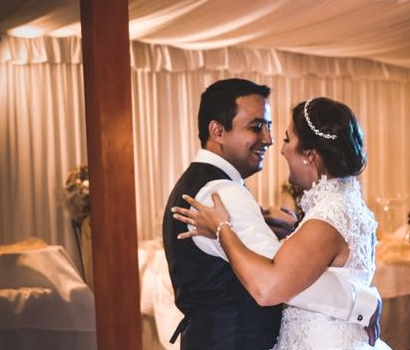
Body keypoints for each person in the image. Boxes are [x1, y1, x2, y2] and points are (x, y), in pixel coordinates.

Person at [162, 80, 381, 349]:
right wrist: (363, 303)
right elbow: (278, 280)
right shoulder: (222, 194)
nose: (270, 139)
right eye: (256, 127)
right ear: (218, 131)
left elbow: (286, 275)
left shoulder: (203, 184)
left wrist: (293, 234)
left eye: (270, 127)